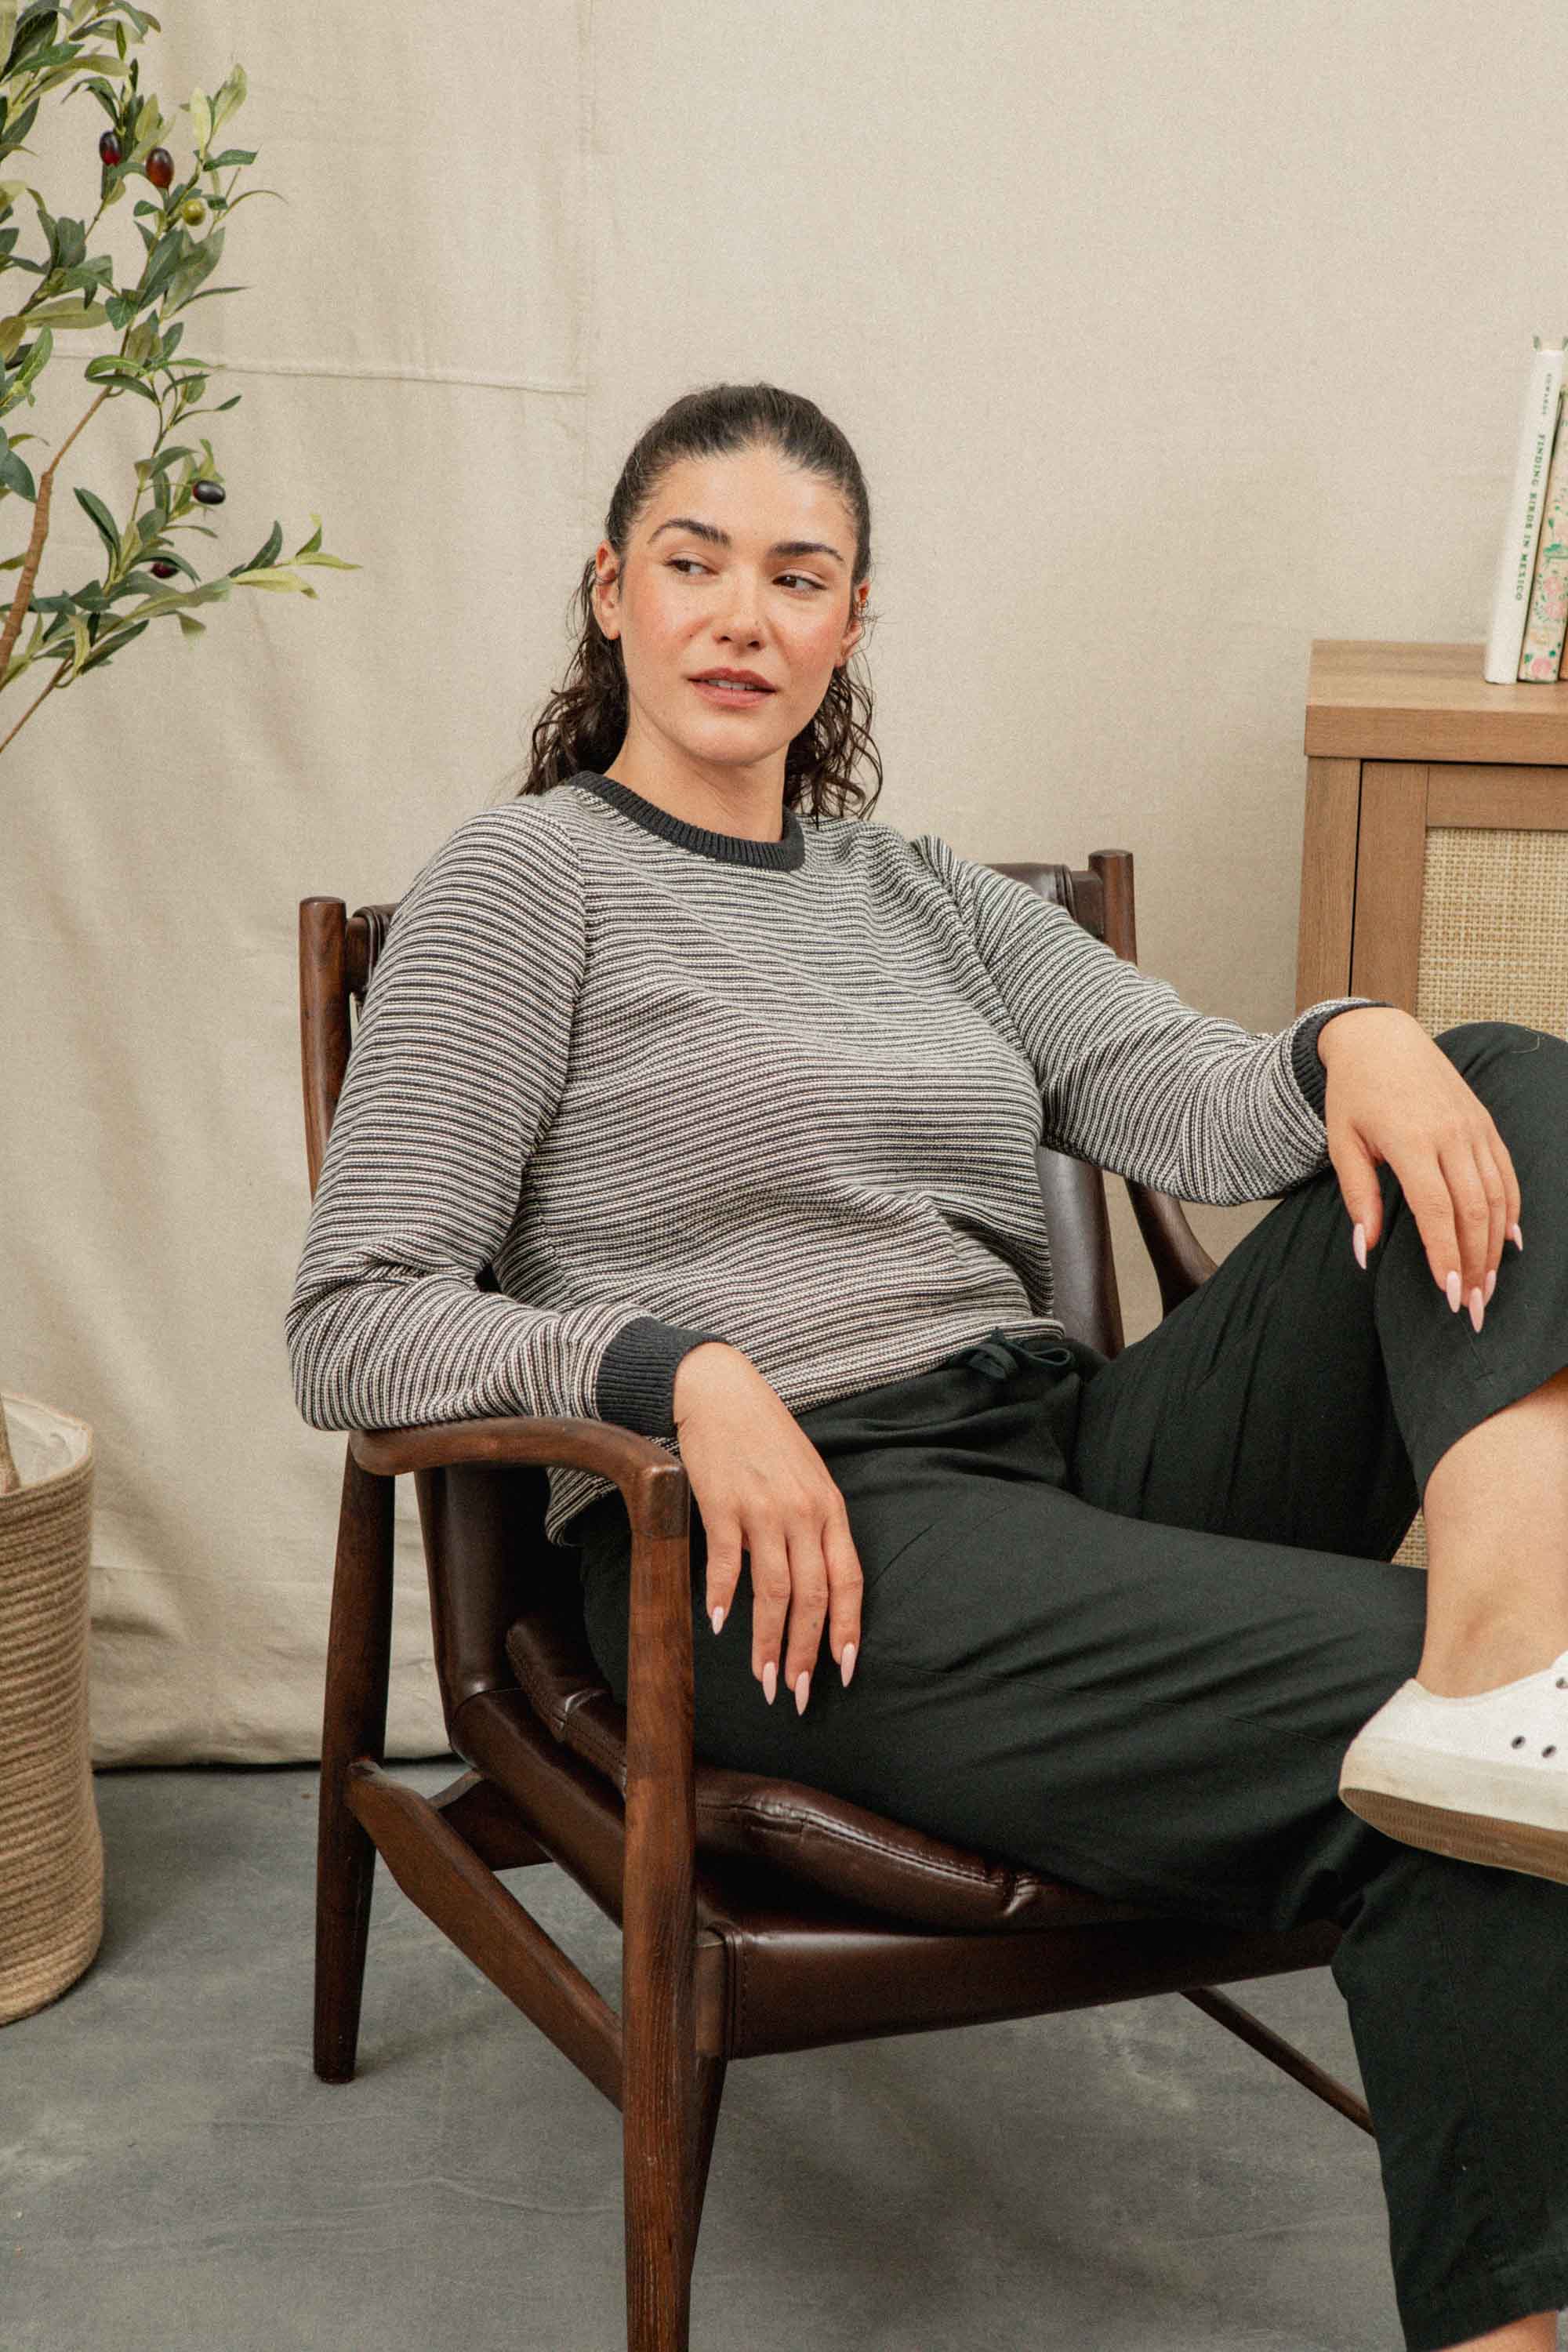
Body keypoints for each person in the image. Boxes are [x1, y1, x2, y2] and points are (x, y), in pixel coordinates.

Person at [285, 380, 1568, 2352]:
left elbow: (1192, 1100)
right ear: (610, 590)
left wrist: (1352, 1037)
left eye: (795, 578)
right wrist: (676, 1369)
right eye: (695, 564)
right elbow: (353, 1311)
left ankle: (1503, 1663)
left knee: (1498, 1080)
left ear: (849, 625)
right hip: (783, 1543)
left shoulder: (923, 895)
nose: (740, 616)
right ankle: (1483, 1723)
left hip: (1052, 1450)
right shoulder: (517, 886)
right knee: (1449, 1782)